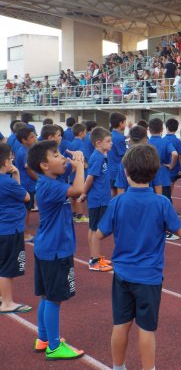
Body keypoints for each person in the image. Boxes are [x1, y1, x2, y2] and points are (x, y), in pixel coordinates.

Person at [96, 144, 181, 370]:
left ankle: (118, 367)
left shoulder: (117, 202)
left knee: (121, 324)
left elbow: (99, 234)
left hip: (123, 274)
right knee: (146, 329)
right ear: (155, 173)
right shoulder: (161, 203)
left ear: (125, 172)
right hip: (149, 276)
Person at [27, 140, 86, 359]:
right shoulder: (52, 186)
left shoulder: (50, 179)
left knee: (46, 296)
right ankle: (54, 346)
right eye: (56, 155)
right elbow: (79, 189)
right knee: (54, 298)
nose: (62, 157)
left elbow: (68, 168)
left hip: (47, 247)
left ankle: (43, 338)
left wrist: (76, 158)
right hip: (55, 249)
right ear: (44, 165)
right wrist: (79, 166)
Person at [0, 143, 32, 314]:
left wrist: (16, 174)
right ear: (6, 161)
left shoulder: (6, 181)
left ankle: (2, 297)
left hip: (2, 228)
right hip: (9, 229)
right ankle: (7, 302)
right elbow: (25, 197)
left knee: (1, 264)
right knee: (7, 268)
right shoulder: (7, 182)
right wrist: (16, 175)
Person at [79, 127, 113, 272]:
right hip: (97, 199)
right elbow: (90, 178)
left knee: (95, 228)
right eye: (108, 141)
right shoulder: (97, 157)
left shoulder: (102, 155)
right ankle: (94, 260)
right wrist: (83, 193)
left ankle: (97, 256)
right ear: (98, 143)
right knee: (96, 229)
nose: (111, 143)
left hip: (102, 198)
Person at [114, 125, 161, 195]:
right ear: (146, 140)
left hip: (129, 201)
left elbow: (121, 187)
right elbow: (157, 184)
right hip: (149, 200)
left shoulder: (124, 161)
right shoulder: (152, 158)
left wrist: (121, 202)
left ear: (130, 141)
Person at [14, 126, 38, 242]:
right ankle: (25, 233)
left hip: (28, 184)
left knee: (26, 210)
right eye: (32, 137)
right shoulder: (24, 152)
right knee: (26, 211)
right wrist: (39, 180)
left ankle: (24, 232)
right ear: (24, 140)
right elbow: (29, 170)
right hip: (27, 185)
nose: (35, 138)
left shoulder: (26, 150)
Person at [148, 118, 178, 203]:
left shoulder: (146, 142)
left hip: (149, 175)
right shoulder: (165, 141)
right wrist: (171, 165)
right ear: (162, 129)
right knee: (165, 202)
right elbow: (175, 154)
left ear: (149, 130)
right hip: (163, 175)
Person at [107, 112, 127, 197]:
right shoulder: (119, 138)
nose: (125, 124)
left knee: (112, 191)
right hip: (117, 170)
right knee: (120, 193)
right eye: (124, 122)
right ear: (120, 123)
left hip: (110, 169)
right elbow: (125, 155)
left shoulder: (109, 135)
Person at [164, 118, 181, 199]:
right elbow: (180, 155)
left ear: (166, 127)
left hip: (164, 168)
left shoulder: (163, 139)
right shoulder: (177, 141)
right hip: (174, 168)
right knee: (169, 190)